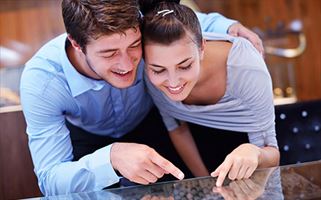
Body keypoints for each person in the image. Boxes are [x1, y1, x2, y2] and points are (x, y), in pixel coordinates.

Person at [20, 0, 265, 196]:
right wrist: (111, 157)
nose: (127, 64)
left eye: (135, 45)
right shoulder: (42, 81)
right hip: (88, 141)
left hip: (151, 122)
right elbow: (49, 180)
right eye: (110, 53)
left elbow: (174, 21)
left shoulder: (141, 25)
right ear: (76, 44)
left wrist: (225, 26)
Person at [142, 0, 280, 187]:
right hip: (192, 159)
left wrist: (254, 152)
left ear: (202, 48)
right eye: (158, 70)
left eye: (185, 66)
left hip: (247, 157)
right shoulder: (148, 75)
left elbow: (271, 153)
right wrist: (206, 184)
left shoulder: (247, 68)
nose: (173, 82)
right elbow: (176, 128)